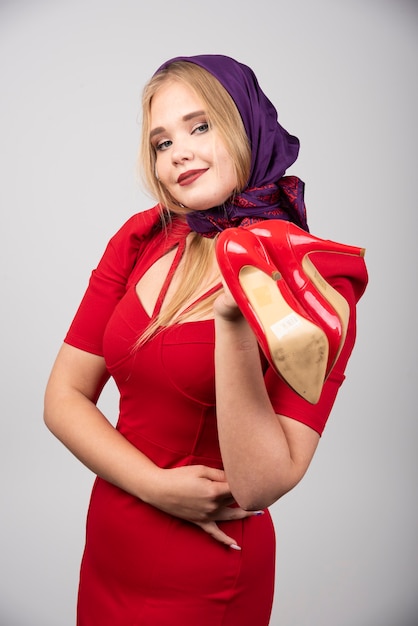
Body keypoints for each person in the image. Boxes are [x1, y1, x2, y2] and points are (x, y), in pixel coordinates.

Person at [44, 54, 368, 625]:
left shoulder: (314, 274)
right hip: (111, 545)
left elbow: (264, 483)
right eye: (161, 143)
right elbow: (63, 398)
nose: (179, 154)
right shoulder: (142, 235)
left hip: (208, 573)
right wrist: (154, 486)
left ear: (244, 123)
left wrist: (233, 324)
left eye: (200, 126)